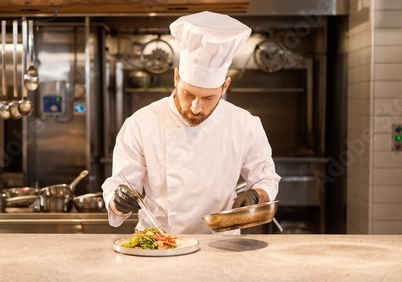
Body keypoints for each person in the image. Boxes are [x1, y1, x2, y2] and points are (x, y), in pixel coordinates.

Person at [102, 11, 280, 234]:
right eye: (188, 94)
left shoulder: (245, 125)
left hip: (221, 245)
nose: (196, 108)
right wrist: (117, 202)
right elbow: (120, 184)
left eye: (208, 98)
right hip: (159, 244)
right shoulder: (141, 123)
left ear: (225, 86)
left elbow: (266, 179)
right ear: (176, 78)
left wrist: (256, 195)